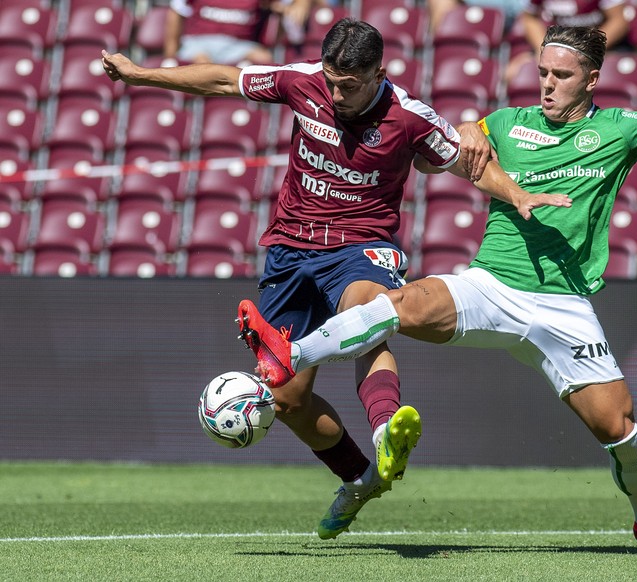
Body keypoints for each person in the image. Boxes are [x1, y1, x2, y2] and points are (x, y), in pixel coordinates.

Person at [234, 25, 637, 554]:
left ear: (591, 80)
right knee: (393, 306)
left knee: (617, 430)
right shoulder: (508, 123)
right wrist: (472, 127)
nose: (547, 85)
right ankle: (289, 357)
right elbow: (453, 141)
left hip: (563, 305)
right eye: (542, 72)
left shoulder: (621, 130)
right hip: (490, 285)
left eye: (561, 75)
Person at [102, 18, 569, 540]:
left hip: (360, 245)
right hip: (290, 250)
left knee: (369, 310)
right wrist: (141, 75)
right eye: (332, 80)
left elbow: (471, 163)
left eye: (351, 84)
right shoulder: (303, 83)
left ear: (379, 73)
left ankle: (386, 429)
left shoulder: (409, 118)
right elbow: (221, 79)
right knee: (286, 400)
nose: (338, 92)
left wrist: (518, 195)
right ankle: (360, 481)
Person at [505, 0, 630, 80]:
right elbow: (529, 18)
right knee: (514, 73)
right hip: (558, 47)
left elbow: (619, 21)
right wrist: (542, 49)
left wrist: (588, 49)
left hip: (600, 49)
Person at [164, 0, 277, 66]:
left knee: (264, 60)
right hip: (199, 43)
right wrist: (170, 56)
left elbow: (282, 5)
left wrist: (293, 5)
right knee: (203, 65)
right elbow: (176, 13)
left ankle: (249, 105)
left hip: (239, 45)